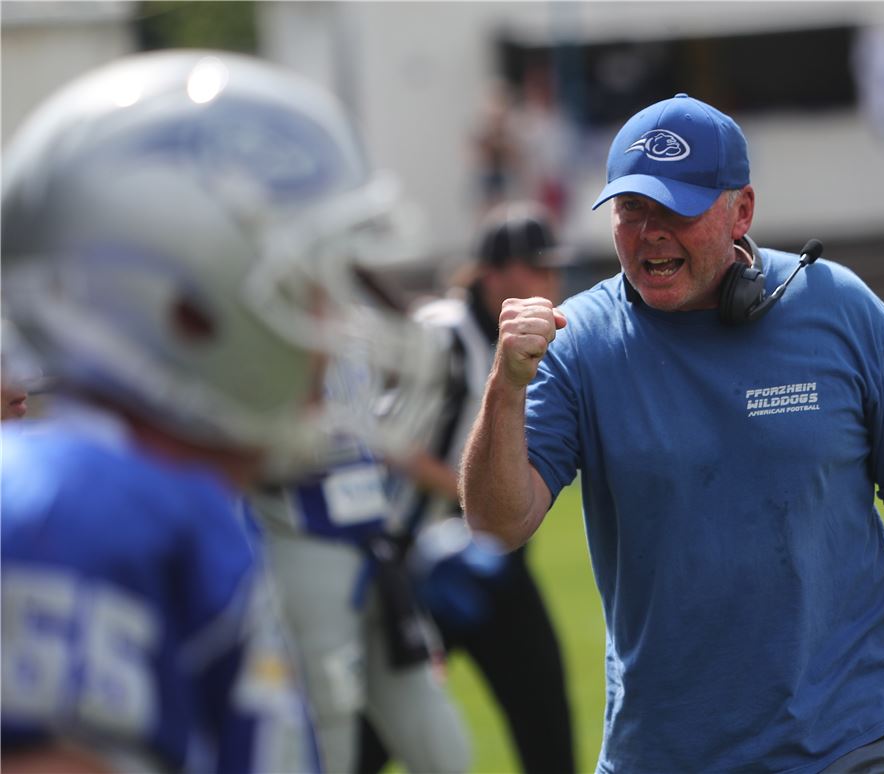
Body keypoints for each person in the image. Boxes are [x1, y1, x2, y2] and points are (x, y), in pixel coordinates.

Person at [459, 94, 884, 773]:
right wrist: (506, 386)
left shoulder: (840, 309)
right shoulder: (579, 344)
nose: (651, 232)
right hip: (663, 756)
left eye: (677, 209)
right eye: (632, 209)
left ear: (742, 211)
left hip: (850, 743)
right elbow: (496, 525)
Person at [0, 50, 424, 773]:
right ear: (187, 308)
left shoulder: (178, 505)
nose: (333, 327)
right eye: (304, 288)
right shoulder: (74, 514)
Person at [384, 203, 577, 773]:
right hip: (414, 565)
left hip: (496, 565)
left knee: (545, 713)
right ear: (493, 274)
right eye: (533, 269)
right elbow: (384, 439)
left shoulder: (549, 337)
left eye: (551, 269)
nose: (546, 283)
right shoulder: (440, 335)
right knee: (377, 729)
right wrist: (477, 493)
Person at [244, 308, 472, 774]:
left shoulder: (343, 323)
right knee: (329, 728)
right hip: (314, 539)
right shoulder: (274, 323)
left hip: (366, 546)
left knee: (431, 734)